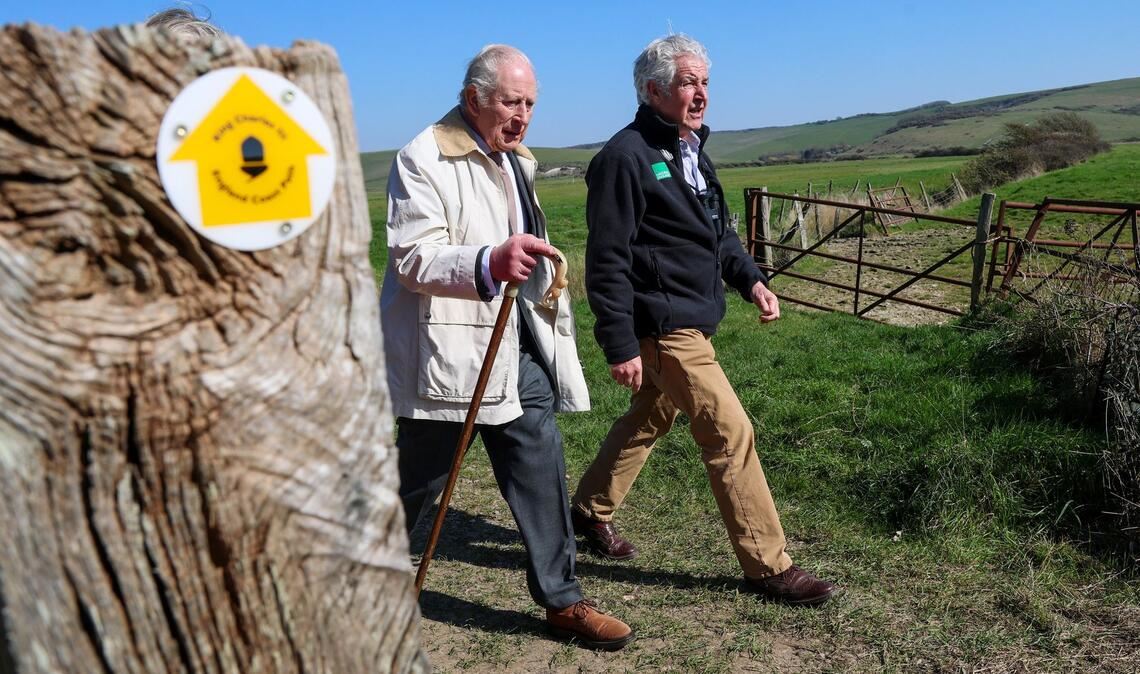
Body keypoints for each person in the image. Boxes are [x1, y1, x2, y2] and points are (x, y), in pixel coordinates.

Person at [570, 34, 838, 607]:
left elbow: (720, 235)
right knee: (729, 429)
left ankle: (588, 511)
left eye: (705, 83)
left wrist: (753, 280)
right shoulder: (624, 158)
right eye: (688, 83)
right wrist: (619, 343)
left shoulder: (690, 149)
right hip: (665, 324)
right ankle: (768, 565)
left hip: (694, 314)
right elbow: (608, 258)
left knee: (650, 417)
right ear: (652, 90)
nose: (700, 95)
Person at [381, 44, 634, 649]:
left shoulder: (516, 159)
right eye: (510, 102)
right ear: (473, 99)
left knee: (540, 465)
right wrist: (488, 260)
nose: (523, 116)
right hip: (448, 353)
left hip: (514, 343)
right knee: (419, 478)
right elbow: (413, 257)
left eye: (530, 104)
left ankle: (562, 600)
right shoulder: (423, 157)